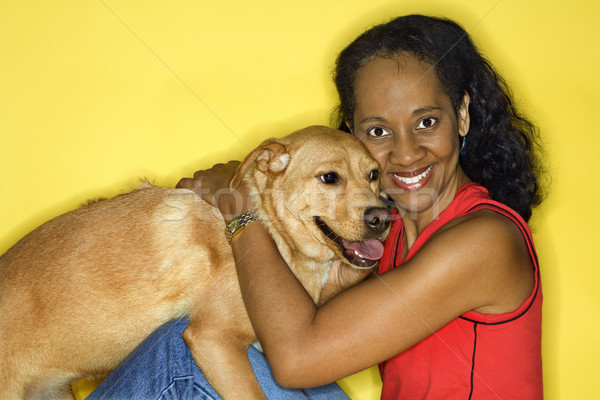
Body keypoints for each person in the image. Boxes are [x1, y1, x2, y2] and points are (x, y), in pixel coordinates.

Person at [89, 14, 545, 399]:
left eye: (426, 122)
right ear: (351, 134)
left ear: (462, 114)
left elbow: (297, 358)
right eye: (378, 131)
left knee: (181, 354)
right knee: (217, 336)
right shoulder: (380, 228)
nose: (406, 153)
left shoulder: (483, 241)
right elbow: (282, 326)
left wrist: (239, 207)